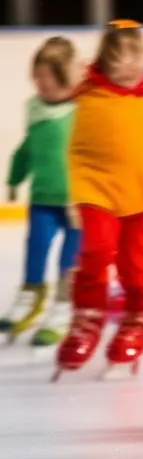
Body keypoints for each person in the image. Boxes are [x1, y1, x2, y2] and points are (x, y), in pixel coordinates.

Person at [55, 20, 143, 379]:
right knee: (96, 251)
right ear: (105, 59)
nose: (130, 68)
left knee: (135, 264)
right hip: (94, 188)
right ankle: (87, 318)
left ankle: (139, 316)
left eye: (138, 59)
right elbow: (61, 77)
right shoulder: (86, 86)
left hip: (140, 193)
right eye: (120, 60)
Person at [3, 37, 80, 346]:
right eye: (37, 76)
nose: (41, 84)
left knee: (69, 259)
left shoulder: (81, 108)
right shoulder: (34, 108)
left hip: (77, 201)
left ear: (64, 76)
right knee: (35, 248)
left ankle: (64, 307)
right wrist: (14, 177)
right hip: (42, 199)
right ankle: (31, 296)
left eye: (47, 77)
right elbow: (27, 147)